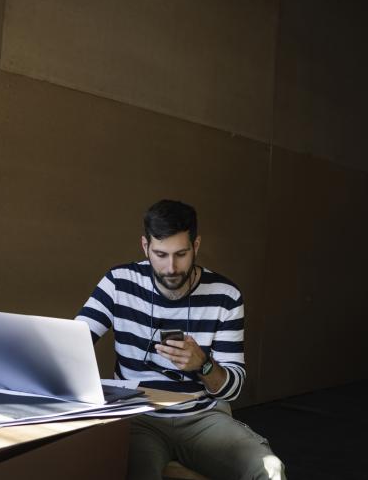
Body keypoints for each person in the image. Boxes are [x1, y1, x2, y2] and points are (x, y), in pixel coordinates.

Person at [76, 199, 285, 480]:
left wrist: (204, 364)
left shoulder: (225, 296)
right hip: (141, 418)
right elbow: (74, 343)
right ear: (145, 246)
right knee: (138, 471)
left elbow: (232, 389)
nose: (171, 267)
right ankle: (174, 468)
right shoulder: (118, 283)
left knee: (268, 469)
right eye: (160, 254)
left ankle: (176, 467)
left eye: (181, 254)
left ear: (196, 246)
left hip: (202, 416)